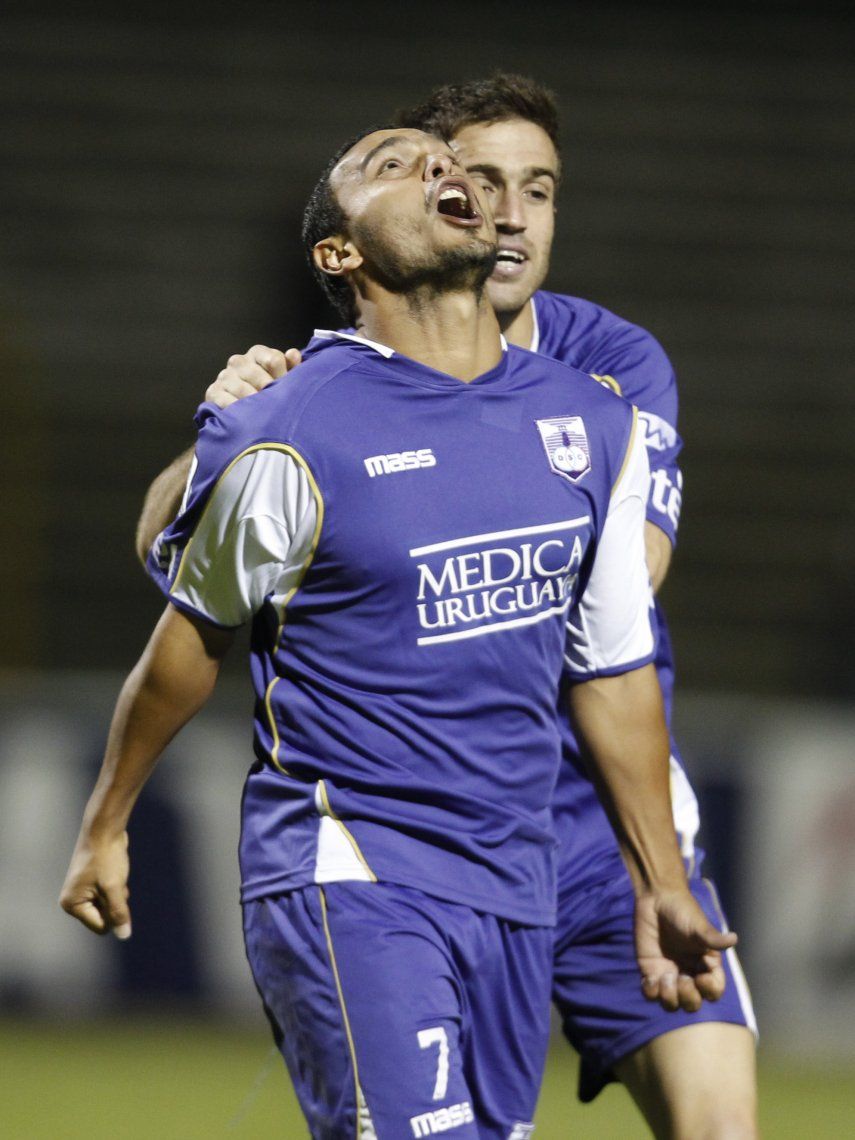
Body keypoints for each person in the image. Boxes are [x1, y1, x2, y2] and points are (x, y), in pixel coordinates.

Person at [61, 125, 734, 1140]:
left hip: (517, 882)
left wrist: (662, 882)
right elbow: (189, 644)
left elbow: (613, 670)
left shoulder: (592, 423)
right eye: (392, 165)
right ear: (341, 254)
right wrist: (106, 821)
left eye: (442, 160)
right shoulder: (289, 428)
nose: (439, 171)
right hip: (353, 869)